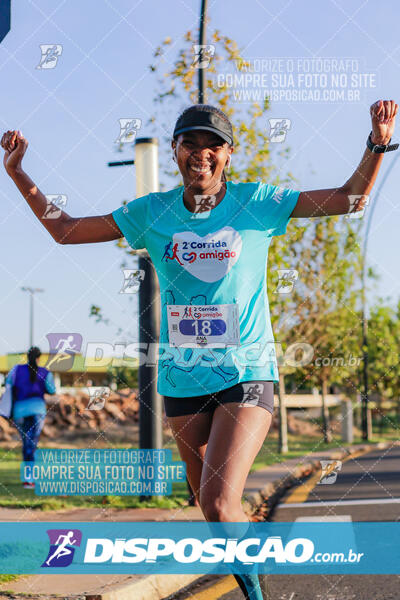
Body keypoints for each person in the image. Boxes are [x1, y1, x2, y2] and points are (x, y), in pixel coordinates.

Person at [1, 99, 397, 597]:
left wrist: (377, 141)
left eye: (214, 146)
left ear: (228, 155)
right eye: (191, 143)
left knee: (216, 503)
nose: (202, 154)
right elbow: (66, 230)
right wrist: (18, 173)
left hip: (246, 373)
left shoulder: (258, 202)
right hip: (182, 380)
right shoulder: (152, 213)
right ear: (176, 150)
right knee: (207, 503)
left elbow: (349, 198)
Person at [5, 347, 56, 488]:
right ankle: (30, 479)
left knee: (26, 444)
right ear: (39, 358)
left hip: (19, 411)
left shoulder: (16, 370)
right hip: (38, 411)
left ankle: (28, 479)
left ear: (27, 357)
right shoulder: (45, 372)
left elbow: (8, 385)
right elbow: (52, 390)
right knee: (32, 444)